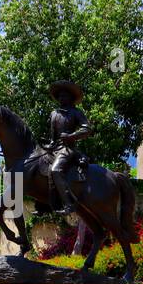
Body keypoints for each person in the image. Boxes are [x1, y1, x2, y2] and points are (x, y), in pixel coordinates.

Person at [46, 80, 92, 215]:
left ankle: (69, 204)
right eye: (59, 96)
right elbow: (53, 137)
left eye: (64, 96)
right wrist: (48, 145)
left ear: (70, 98)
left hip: (68, 149)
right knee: (38, 166)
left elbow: (87, 129)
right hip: (55, 148)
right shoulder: (54, 113)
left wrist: (71, 136)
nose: (61, 98)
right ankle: (44, 204)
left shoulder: (76, 112)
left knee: (55, 170)